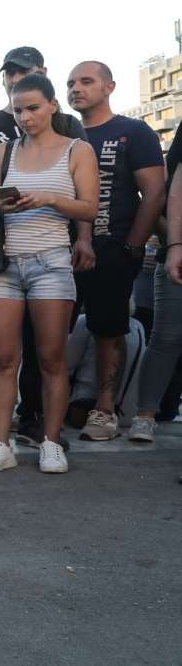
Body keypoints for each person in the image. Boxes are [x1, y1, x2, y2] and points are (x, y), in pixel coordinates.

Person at [0, 46, 86, 445]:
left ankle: (45, 433)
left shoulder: (73, 136)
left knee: (49, 357)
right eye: (19, 110)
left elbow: (89, 203)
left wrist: (70, 223)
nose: (25, 117)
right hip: (2, 260)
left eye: (32, 108)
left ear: (50, 100)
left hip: (53, 258)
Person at [67, 61, 166, 441]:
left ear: (109, 86)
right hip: (61, 249)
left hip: (113, 248)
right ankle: (45, 409)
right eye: (70, 83)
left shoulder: (133, 131)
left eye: (86, 81)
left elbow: (154, 193)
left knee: (108, 331)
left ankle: (105, 410)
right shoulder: (62, 133)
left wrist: (132, 247)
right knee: (53, 333)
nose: (76, 88)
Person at [132, 122, 182, 441]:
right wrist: (175, 244)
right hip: (176, 253)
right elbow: (174, 191)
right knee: (166, 337)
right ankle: (145, 415)